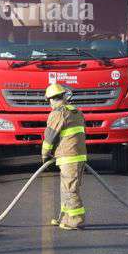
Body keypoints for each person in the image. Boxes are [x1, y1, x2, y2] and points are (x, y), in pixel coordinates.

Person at [41, 83, 87, 230]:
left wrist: (45, 156)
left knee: (70, 190)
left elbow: (49, 138)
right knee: (66, 188)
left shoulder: (57, 114)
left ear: (52, 99)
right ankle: (64, 217)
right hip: (77, 155)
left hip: (68, 157)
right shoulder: (76, 112)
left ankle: (75, 220)